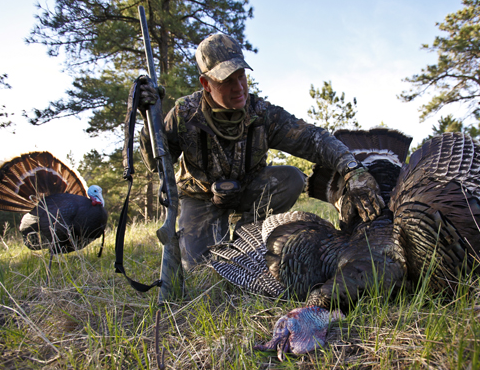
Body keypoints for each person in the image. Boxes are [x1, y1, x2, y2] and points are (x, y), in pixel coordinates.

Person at [137, 33, 384, 271]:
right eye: (226, 80)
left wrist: (353, 169)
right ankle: (208, 237)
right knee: (202, 271)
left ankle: (247, 236)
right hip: (201, 199)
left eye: (241, 76)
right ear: (206, 83)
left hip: (247, 192)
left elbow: (312, 138)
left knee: (292, 178)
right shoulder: (184, 113)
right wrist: (149, 122)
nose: (239, 87)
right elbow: (156, 162)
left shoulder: (263, 113)